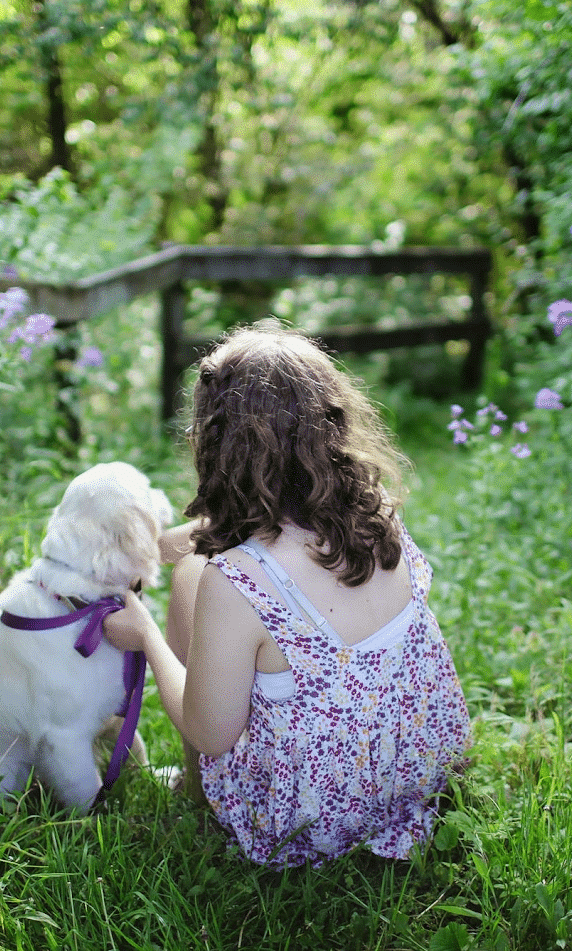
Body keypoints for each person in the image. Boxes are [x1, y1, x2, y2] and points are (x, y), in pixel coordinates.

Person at [103, 325, 471, 868]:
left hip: (307, 817)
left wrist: (148, 638)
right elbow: (280, 544)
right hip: (414, 774)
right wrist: (170, 543)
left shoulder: (232, 580)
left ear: (218, 443)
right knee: (197, 564)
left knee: (191, 577)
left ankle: (196, 791)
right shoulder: (377, 516)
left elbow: (211, 733)